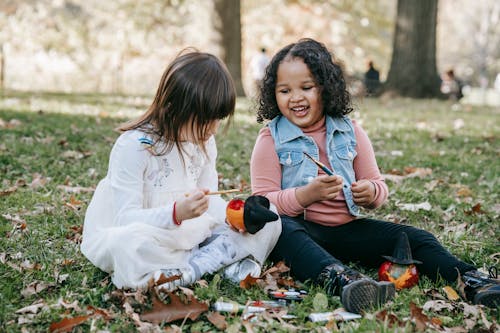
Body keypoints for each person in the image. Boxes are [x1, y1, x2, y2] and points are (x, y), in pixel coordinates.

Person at [250, 38, 499, 313]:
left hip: (348, 231)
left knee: (416, 238)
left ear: (326, 87)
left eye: (306, 88)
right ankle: (345, 281)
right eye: (284, 90)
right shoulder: (270, 139)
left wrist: (370, 192)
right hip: (302, 234)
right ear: (273, 94)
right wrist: (305, 196)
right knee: (283, 230)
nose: (295, 97)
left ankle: (473, 281)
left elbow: (377, 185)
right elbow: (262, 204)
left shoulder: (351, 132)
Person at [81, 50, 281, 290]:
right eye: (206, 120)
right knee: (127, 246)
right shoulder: (135, 147)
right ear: (175, 107)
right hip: (150, 237)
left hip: (193, 236)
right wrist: (175, 214)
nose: (213, 130)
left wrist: (236, 217)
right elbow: (125, 218)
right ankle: (211, 264)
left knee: (273, 218)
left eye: (218, 119)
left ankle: (186, 271)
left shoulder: (204, 143)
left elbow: (210, 204)